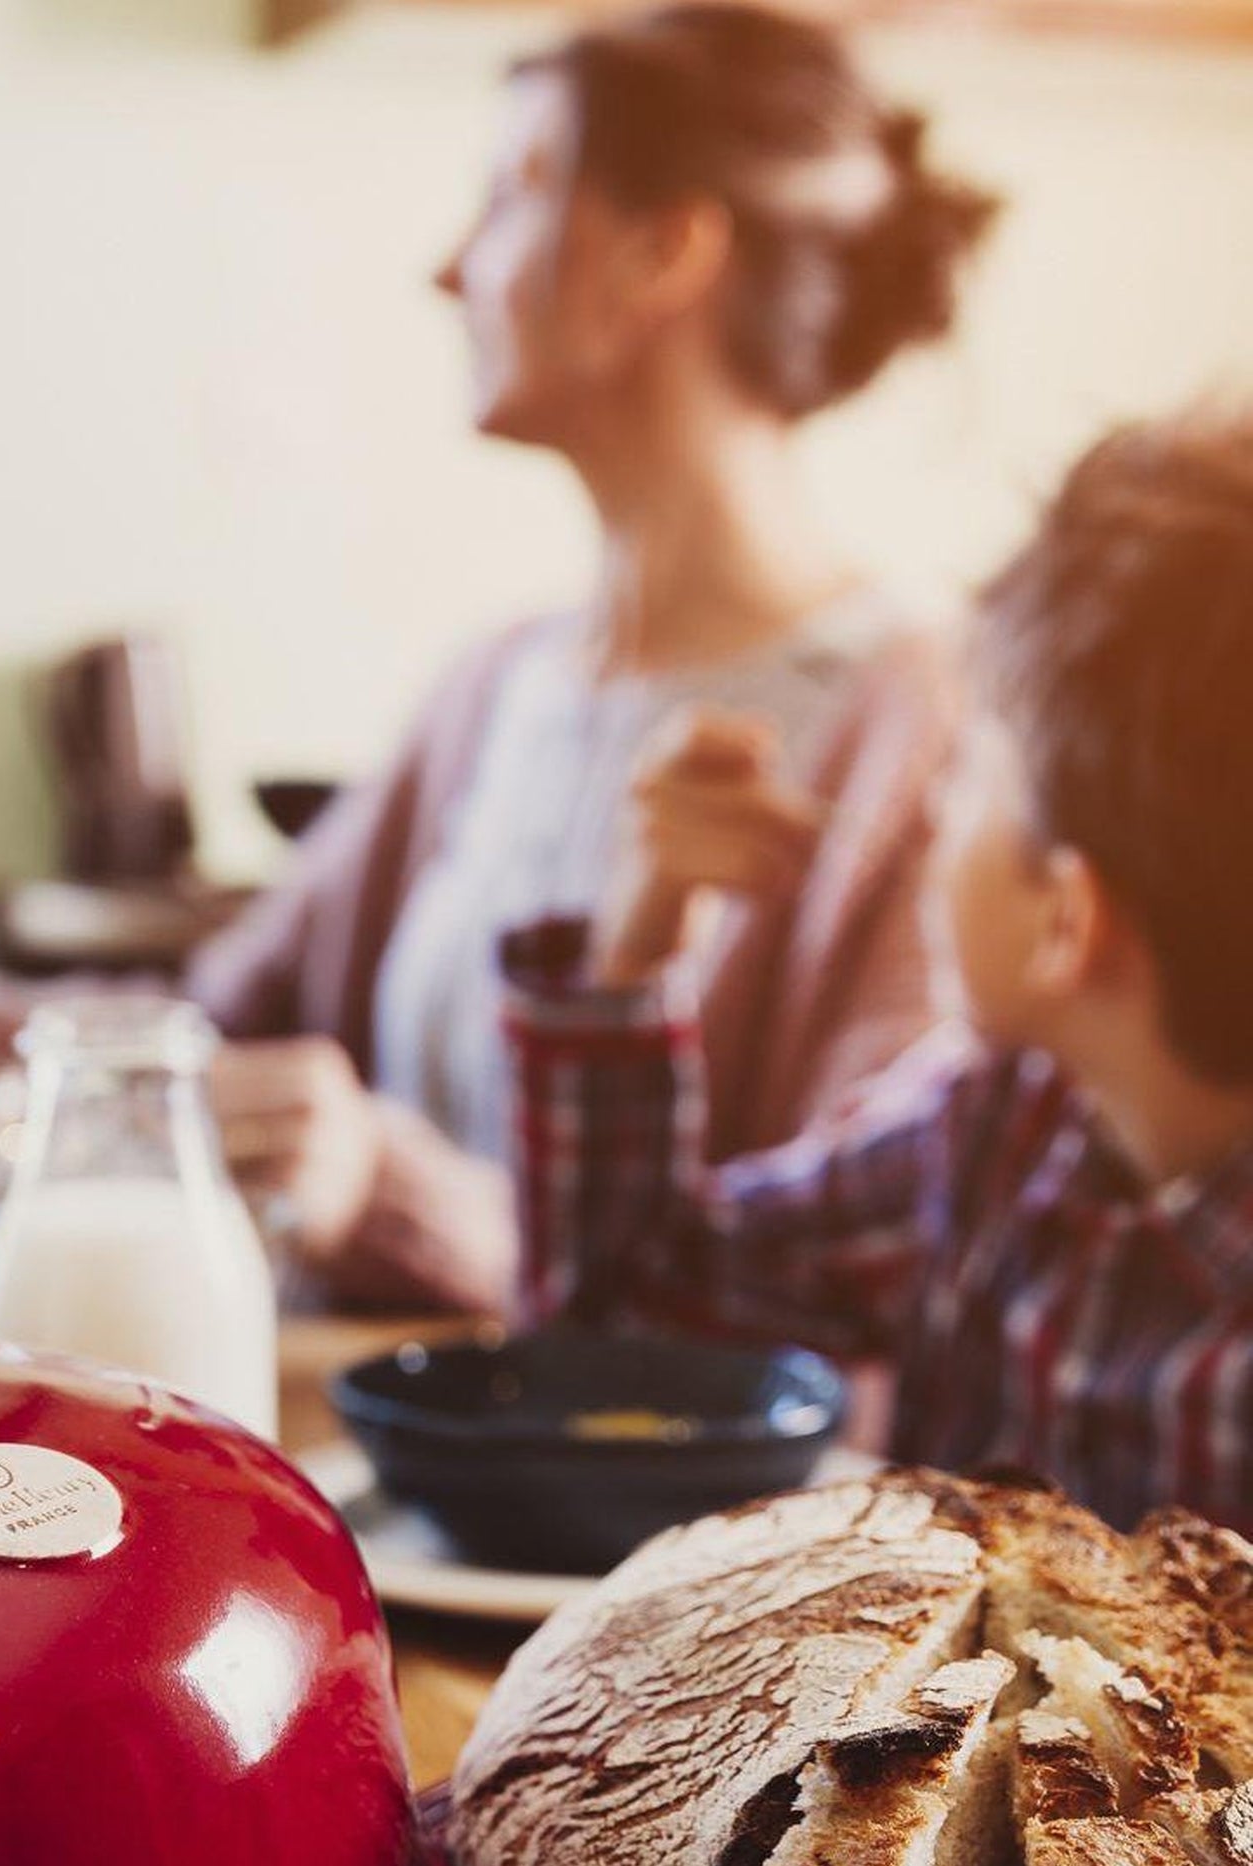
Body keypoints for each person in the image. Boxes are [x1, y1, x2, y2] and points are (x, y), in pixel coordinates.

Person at [193, 2, 999, 1314]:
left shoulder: (924, 726)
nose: (447, 270)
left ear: (661, 253)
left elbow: (854, 1289)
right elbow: (215, 1018)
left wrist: (392, 1194)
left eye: (512, 194)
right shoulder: (494, 684)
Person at [507, 413, 1253, 1534]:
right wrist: (634, 946)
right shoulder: (990, 1127)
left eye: (965, 778)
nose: (931, 818)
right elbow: (623, 1334)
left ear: (1067, 919)